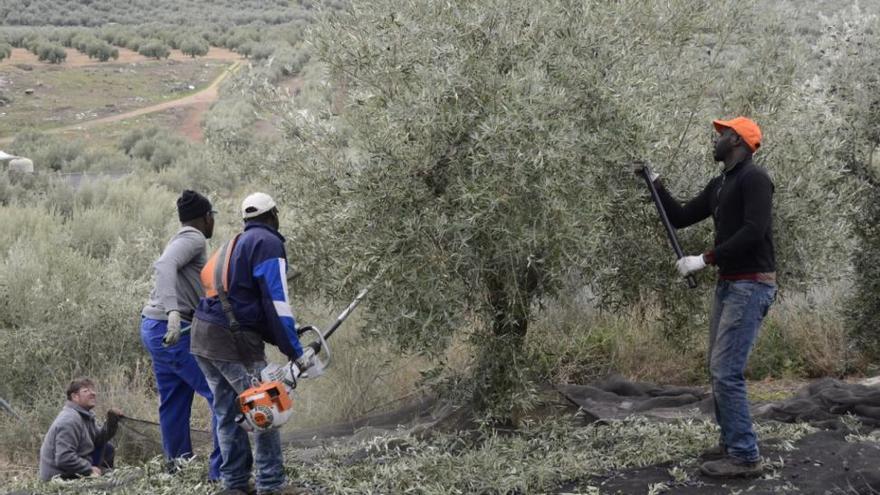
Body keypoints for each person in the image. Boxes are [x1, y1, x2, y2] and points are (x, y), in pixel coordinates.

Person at [645, 117, 777, 478]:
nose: (715, 140)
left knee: (726, 371)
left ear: (736, 141)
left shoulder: (756, 179)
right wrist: (655, 181)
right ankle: (731, 443)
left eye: (721, 135)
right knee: (718, 369)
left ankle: (746, 457)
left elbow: (754, 231)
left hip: (752, 284)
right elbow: (681, 216)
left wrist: (704, 259)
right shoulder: (720, 184)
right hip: (731, 285)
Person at [191, 192, 310, 495]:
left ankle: (234, 484)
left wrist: (284, 335)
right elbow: (277, 302)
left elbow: (244, 302)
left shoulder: (235, 243)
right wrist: (295, 351)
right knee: (264, 408)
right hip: (232, 341)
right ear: (273, 216)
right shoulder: (268, 243)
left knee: (228, 410)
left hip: (203, 336)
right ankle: (271, 485)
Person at [141, 189, 222, 480]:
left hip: (153, 327)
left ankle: (178, 467)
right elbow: (164, 266)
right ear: (204, 218)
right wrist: (173, 312)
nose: (213, 222)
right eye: (212, 216)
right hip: (171, 329)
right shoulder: (194, 238)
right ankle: (222, 472)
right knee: (220, 395)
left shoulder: (181, 238)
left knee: (174, 399)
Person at [39, 378, 121, 481]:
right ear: (75, 397)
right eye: (86, 391)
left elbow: (99, 439)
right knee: (111, 479)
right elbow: (64, 458)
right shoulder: (69, 420)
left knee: (108, 448)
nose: (93, 393)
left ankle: (99, 472)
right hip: (59, 477)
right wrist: (89, 469)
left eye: (92, 390)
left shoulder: (84, 416)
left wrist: (111, 422)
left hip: (72, 469)